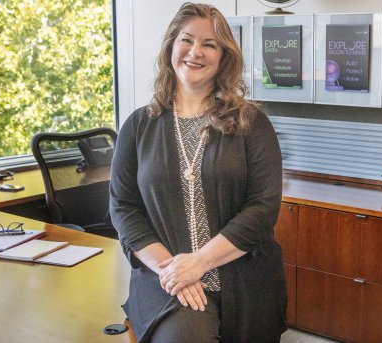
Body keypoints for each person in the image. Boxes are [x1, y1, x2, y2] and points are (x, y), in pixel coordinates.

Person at [109, 3, 286, 342]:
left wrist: (200, 262)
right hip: (167, 285)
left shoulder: (252, 124)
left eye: (210, 44)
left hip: (244, 282)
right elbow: (123, 207)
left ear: (224, 57)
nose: (195, 52)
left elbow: (262, 210)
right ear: (171, 46)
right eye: (187, 40)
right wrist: (174, 271)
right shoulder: (138, 126)